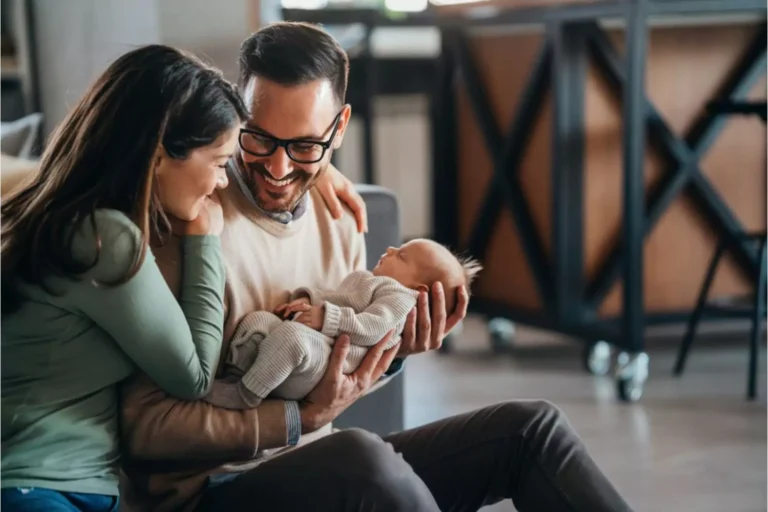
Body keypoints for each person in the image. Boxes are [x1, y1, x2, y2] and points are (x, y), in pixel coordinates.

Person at [119, 23, 635, 512]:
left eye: (303, 145)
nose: (277, 170)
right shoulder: (189, 218)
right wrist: (297, 421)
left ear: (339, 128)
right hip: (212, 489)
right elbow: (145, 428)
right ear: (237, 111)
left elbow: (326, 368)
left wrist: (392, 354)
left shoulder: (339, 217)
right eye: (260, 138)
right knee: (363, 459)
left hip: (317, 460)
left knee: (531, 430)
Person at [0, 44, 368, 512]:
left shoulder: (76, 220)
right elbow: (192, 376)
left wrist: (318, 163)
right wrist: (204, 240)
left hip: (76, 485)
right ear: (159, 154)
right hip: (39, 486)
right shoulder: (106, 241)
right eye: (218, 162)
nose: (221, 181)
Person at [203, 239, 482, 409]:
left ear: (419, 291)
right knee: (260, 321)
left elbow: (374, 327)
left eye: (402, 255)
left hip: (330, 360)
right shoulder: (369, 281)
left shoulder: (400, 298)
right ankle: (237, 374)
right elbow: (339, 298)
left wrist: (327, 317)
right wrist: (309, 299)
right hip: (320, 345)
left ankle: (245, 395)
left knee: (292, 338)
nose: (391, 249)